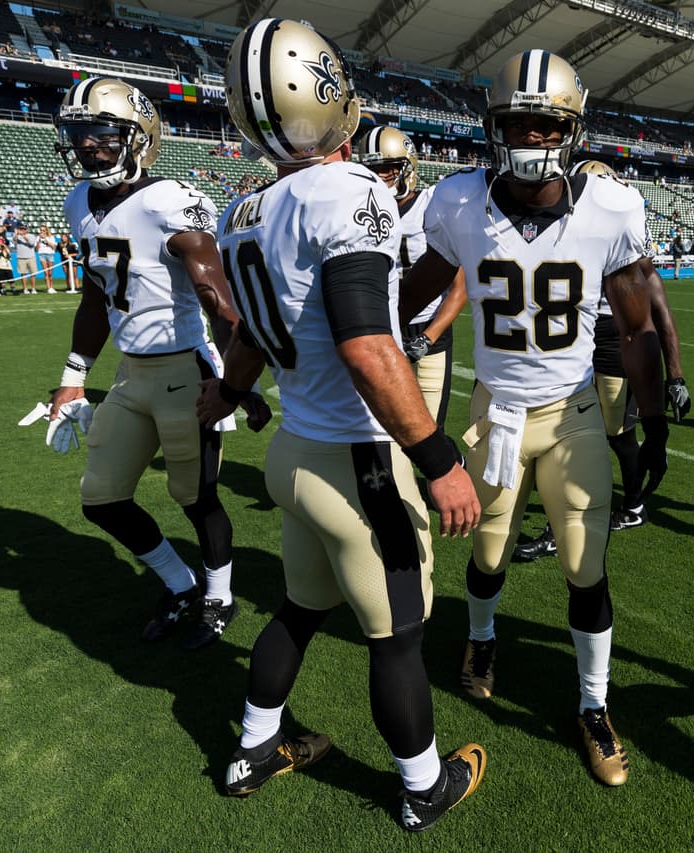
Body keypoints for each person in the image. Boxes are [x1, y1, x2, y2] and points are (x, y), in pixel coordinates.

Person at [198, 19, 485, 832]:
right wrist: (436, 456)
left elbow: (253, 332)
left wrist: (226, 392)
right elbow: (366, 344)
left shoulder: (242, 211)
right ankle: (423, 786)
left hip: (292, 452)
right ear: (323, 95)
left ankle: (255, 743)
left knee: (298, 607)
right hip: (357, 459)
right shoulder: (349, 190)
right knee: (398, 634)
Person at [401, 49, 671, 788]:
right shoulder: (458, 202)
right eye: (514, 124)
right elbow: (415, 290)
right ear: (492, 127)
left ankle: (593, 705)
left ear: (573, 131)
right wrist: (377, 338)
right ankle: (481, 640)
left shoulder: (612, 208)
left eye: (544, 125)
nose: (528, 140)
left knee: (587, 568)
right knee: (486, 553)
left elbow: (639, 324)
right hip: (495, 414)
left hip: (574, 413)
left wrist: (652, 422)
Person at [44, 76, 270, 650]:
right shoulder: (78, 203)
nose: (88, 144)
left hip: (184, 370)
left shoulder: (169, 200)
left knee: (196, 497)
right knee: (101, 497)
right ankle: (182, 583)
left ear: (138, 137)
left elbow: (217, 297)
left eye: (101, 132)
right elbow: (96, 296)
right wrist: (73, 380)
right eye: (77, 133)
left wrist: (236, 380)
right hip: (130, 373)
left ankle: (219, 597)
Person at [514, 159, 690, 560]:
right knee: (575, 432)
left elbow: (655, 305)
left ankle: (625, 507)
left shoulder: (621, 235)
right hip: (573, 341)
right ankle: (618, 508)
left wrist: (674, 376)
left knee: (608, 434)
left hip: (611, 342)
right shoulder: (564, 226)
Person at [356, 125, 466, 430]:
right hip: (381, 329)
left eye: (390, 169)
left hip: (428, 331)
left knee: (431, 431)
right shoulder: (358, 211)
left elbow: (459, 289)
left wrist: (427, 338)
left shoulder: (431, 206)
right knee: (382, 429)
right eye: (374, 169)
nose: (381, 177)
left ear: (408, 168)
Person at [13, 222, 41, 294]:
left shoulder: (31, 236)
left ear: (27, 229)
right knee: (23, 274)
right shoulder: (17, 236)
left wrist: (23, 236)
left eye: (24, 229)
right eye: (21, 229)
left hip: (31, 257)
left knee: (33, 273)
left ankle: (33, 288)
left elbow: (31, 243)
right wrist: (16, 233)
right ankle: (25, 289)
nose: (22, 230)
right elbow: (14, 241)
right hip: (21, 257)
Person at [36, 224, 58, 292]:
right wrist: (39, 240)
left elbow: (54, 247)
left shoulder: (51, 237)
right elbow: (36, 249)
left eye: (43, 230)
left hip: (50, 254)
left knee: (50, 273)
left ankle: (51, 286)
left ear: (46, 231)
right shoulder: (38, 237)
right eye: (41, 230)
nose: (42, 232)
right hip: (42, 254)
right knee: (46, 272)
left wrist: (46, 239)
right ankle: (48, 288)